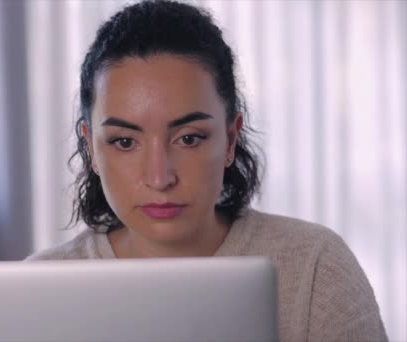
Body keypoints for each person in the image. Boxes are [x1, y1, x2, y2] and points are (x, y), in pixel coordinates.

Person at [26, 1, 387, 341]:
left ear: (230, 138)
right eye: (124, 142)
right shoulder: (36, 290)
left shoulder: (313, 268)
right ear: (90, 147)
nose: (159, 177)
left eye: (189, 138)